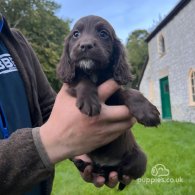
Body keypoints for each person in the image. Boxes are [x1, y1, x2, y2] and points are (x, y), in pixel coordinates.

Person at [0, 14, 133, 195]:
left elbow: (47, 107)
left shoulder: (15, 41)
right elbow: (51, 136)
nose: (85, 43)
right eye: (77, 35)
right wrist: (46, 144)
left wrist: (78, 151)